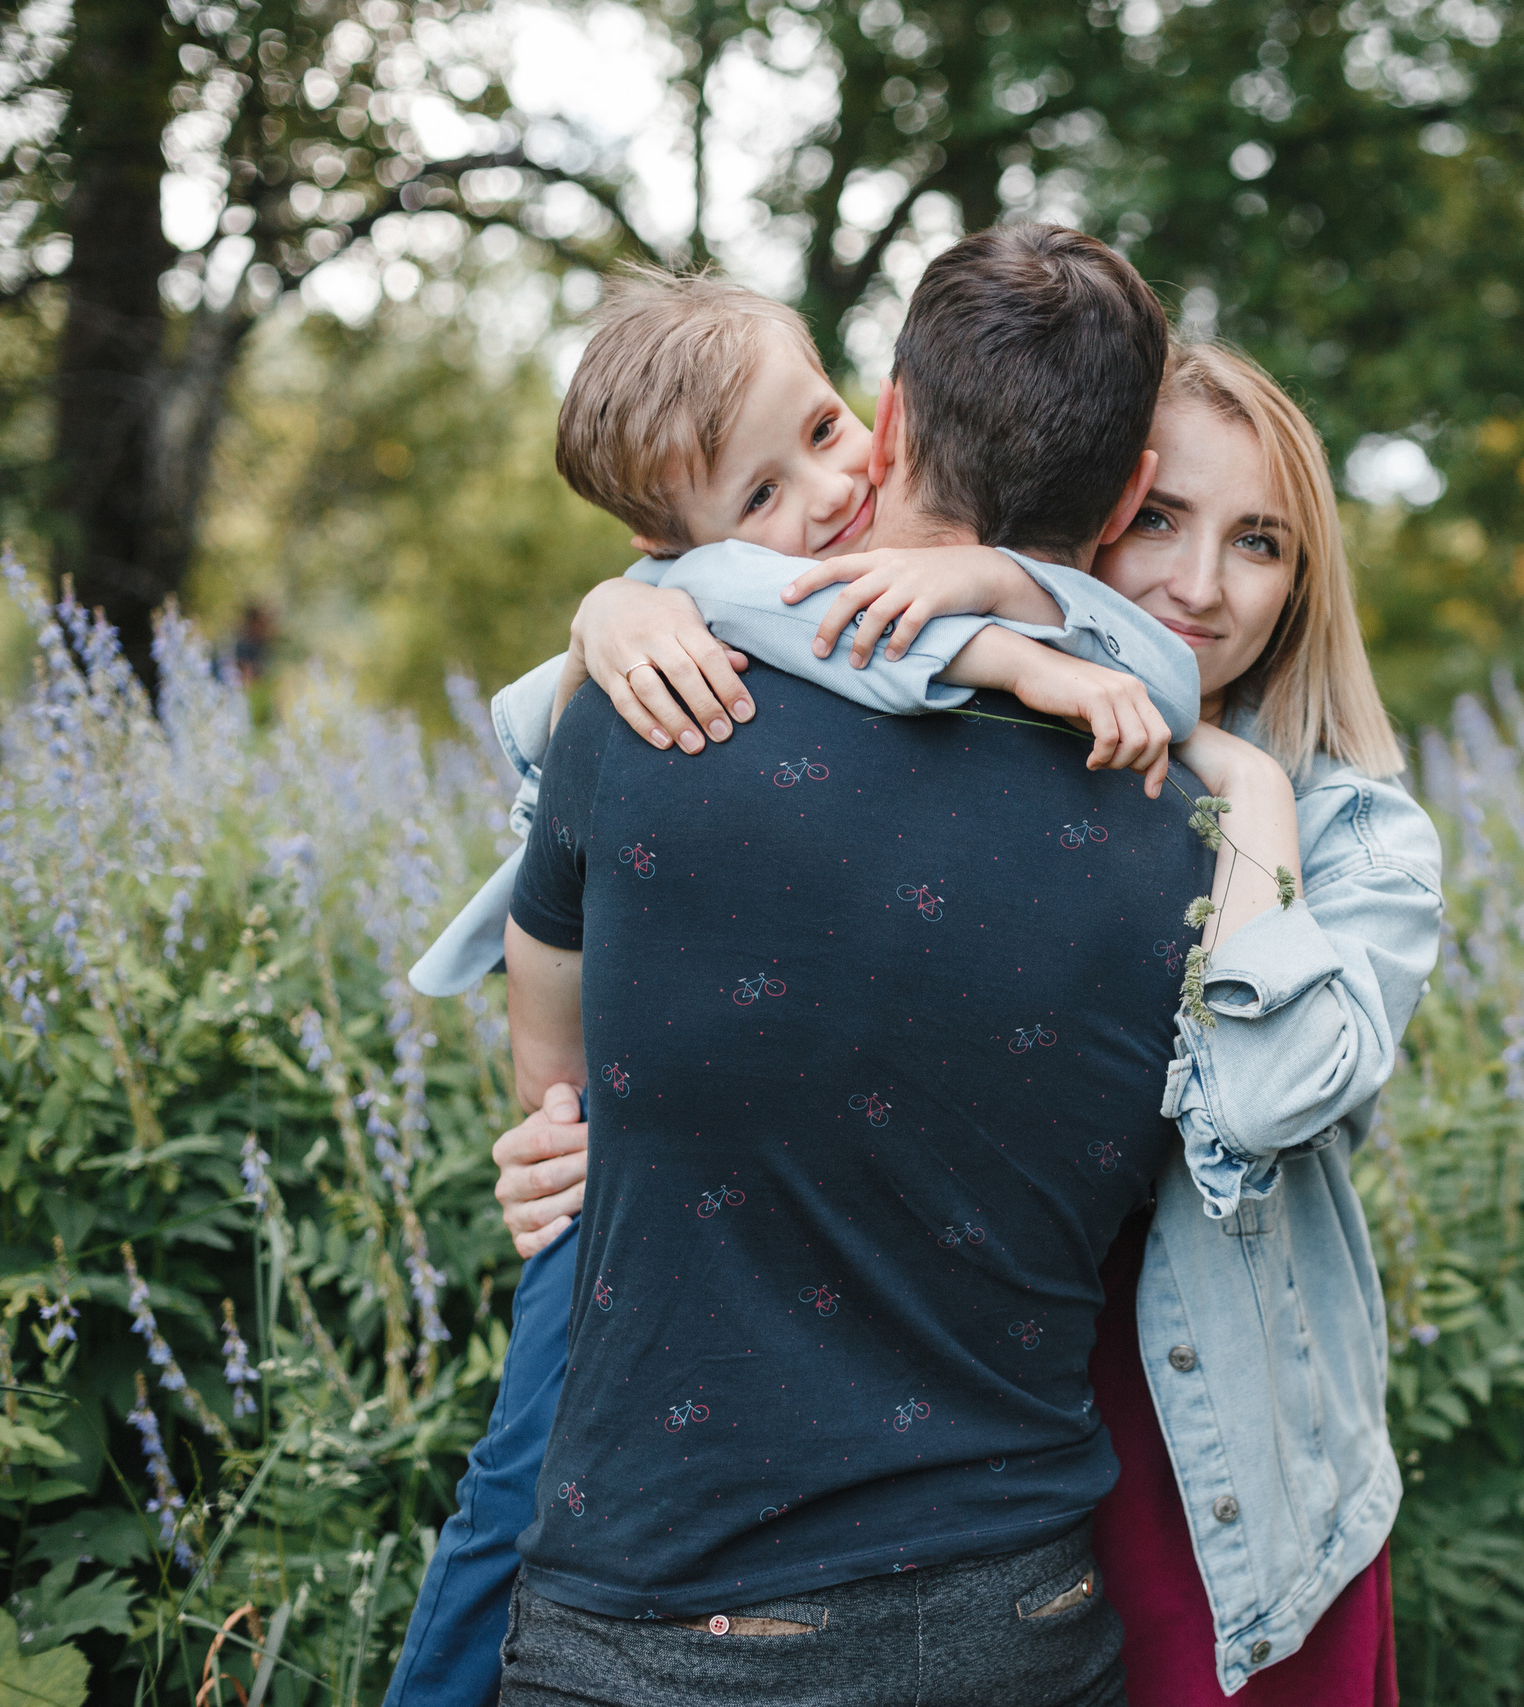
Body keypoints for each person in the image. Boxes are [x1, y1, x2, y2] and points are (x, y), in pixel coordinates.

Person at [489, 341, 1444, 1701]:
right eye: (1161, 520)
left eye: (1260, 543)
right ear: (1100, 508)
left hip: (1222, 1467)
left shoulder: (1354, 833)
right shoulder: (946, 719)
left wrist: (1244, 791)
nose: (1198, 585)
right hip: (976, 1455)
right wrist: (625, 607)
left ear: (1303, 583)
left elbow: (1271, 1096)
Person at [386, 237, 1203, 1707]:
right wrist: (565, 1115)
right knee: (504, 1485)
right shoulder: (1192, 815)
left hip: (670, 1621)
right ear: (1132, 494)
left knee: (513, 1489)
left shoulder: (653, 712)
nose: (823, 494)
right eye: (761, 493)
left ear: (885, 412)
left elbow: (553, 940)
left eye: (826, 435)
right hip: (1031, 1607)